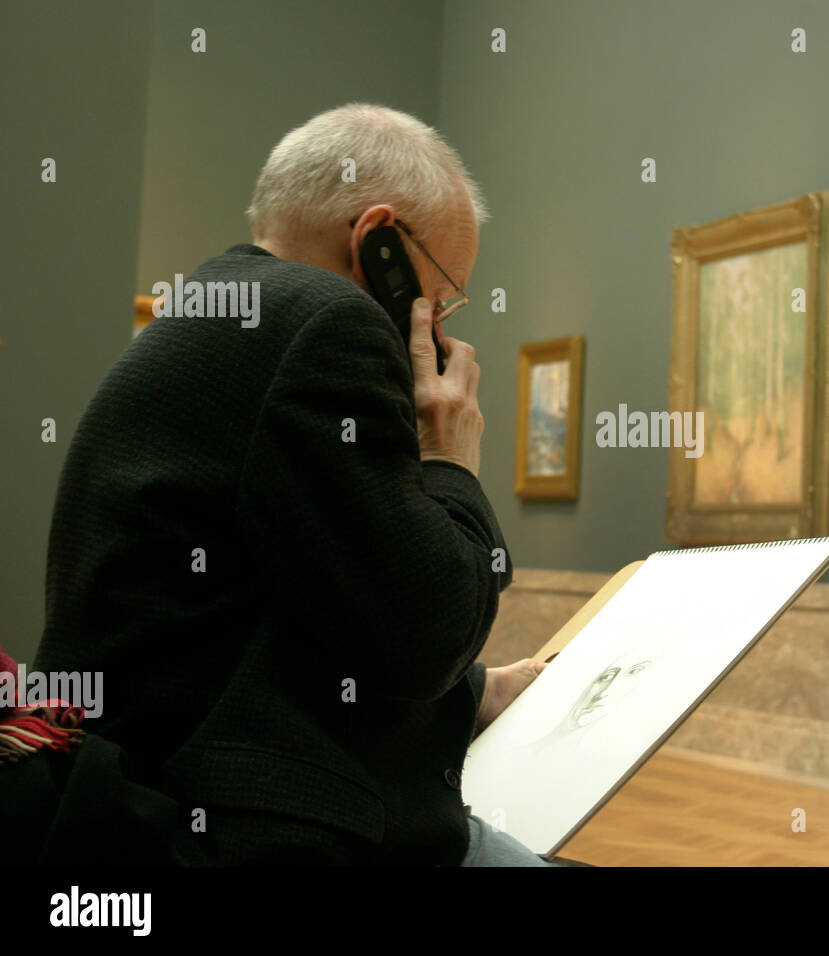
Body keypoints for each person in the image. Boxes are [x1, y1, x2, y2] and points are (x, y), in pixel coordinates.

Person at [33, 103, 552, 866]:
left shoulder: (222, 311)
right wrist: (450, 454)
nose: (440, 328)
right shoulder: (330, 320)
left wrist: (473, 695)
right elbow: (426, 633)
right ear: (380, 241)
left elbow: (299, 603)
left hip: (126, 808)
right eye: (442, 294)